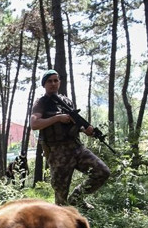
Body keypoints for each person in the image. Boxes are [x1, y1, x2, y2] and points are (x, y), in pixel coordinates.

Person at [30, 69, 110, 207]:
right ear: (44, 84)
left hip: (77, 148)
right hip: (58, 153)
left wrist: (85, 130)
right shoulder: (41, 103)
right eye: (49, 81)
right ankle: (62, 223)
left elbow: (74, 123)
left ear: (59, 82)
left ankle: (77, 198)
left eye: (56, 80)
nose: (53, 83)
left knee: (102, 172)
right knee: (61, 198)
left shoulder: (66, 101)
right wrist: (57, 118)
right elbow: (34, 124)